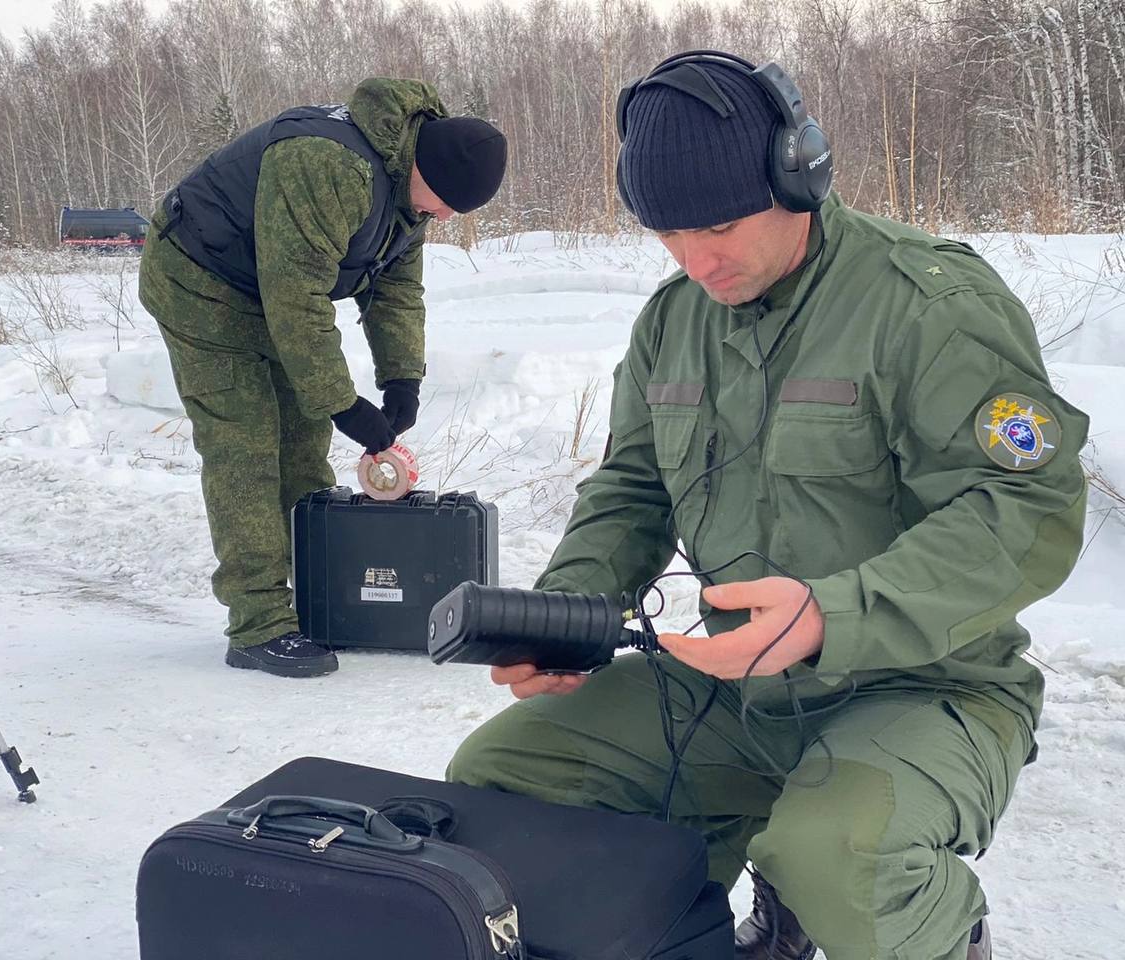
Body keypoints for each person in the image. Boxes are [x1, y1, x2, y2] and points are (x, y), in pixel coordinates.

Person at [447, 51, 1088, 960]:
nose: (695, 260)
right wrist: (570, 613)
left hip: (925, 684)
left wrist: (834, 613)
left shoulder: (927, 305)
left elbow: (1024, 509)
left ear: (800, 175)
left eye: (716, 225)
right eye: (667, 237)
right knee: (506, 777)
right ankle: (691, 933)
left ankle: (908, 925)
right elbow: (633, 488)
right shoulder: (674, 319)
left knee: (841, 855)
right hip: (736, 682)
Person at [139, 79, 507, 678]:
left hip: (272, 289)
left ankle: (313, 603)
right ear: (424, 165)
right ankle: (258, 624)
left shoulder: (410, 195)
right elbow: (297, 297)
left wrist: (401, 379)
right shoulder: (328, 164)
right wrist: (342, 402)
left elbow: (395, 289)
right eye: (443, 202)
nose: (442, 216)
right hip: (200, 278)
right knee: (247, 440)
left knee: (303, 440)